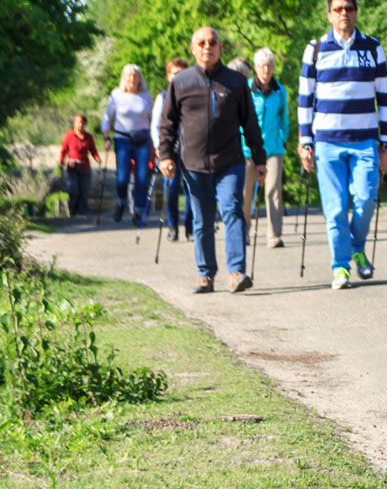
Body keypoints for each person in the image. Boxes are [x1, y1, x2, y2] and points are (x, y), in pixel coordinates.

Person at [158, 27, 267, 294]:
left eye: (213, 42)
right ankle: (205, 274)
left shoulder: (236, 82)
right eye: (202, 43)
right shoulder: (180, 82)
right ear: (193, 48)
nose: (208, 47)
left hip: (230, 162)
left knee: (232, 211)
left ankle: (236, 272)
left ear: (220, 48)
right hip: (193, 165)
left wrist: (260, 158)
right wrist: (164, 156)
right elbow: (168, 124)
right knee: (202, 220)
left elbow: (251, 124)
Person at [298, 0, 387, 290]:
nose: (344, 13)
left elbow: (384, 97)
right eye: (338, 8)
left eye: (349, 8)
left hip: (366, 141)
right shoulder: (315, 49)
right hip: (327, 142)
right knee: (336, 209)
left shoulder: (373, 48)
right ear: (329, 14)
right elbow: (305, 99)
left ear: (356, 12)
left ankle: (356, 247)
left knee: (366, 199)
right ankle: (340, 267)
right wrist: (305, 141)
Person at [242, 47, 288, 248]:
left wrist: (282, 138)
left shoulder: (280, 91)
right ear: (255, 68)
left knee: (273, 191)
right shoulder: (245, 88)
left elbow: (284, 118)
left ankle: (274, 235)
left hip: (273, 148)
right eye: (262, 65)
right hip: (247, 149)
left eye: (269, 65)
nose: (266, 69)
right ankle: (243, 233)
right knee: (244, 192)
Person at [101, 63, 154, 225]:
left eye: (135, 75)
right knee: (123, 177)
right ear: (124, 78)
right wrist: (106, 137)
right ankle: (121, 202)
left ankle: (138, 211)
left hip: (143, 139)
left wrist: (156, 141)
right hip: (122, 139)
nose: (132, 78)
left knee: (142, 177)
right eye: (129, 75)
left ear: (139, 78)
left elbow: (153, 119)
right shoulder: (116, 95)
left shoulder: (146, 96)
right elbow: (107, 117)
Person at [151, 57, 195, 241]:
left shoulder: (193, 95)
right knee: (171, 188)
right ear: (168, 76)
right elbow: (155, 126)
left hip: (191, 149)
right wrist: (159, 147)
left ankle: (191, 227)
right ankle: (172, 226)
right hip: (170, 150)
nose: (178, 77)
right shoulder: (162, 98)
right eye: (174, 73)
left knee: (192, 190)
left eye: (182, 73)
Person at [58, 114, 99, 216]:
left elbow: (93, 150)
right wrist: (62, 162)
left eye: (82, 122)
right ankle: (72, 211)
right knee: (73, 190)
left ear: (85, 124)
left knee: (84, 191)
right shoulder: (68, 136)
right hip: (72, 167)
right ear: (74, 123)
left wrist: (97, 158)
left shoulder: (88, 137)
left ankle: (83, 212)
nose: (80, 124)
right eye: (78, 122)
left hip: (85, 167)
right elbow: (63, 151)